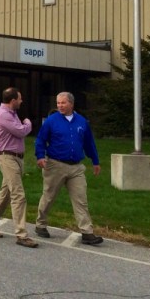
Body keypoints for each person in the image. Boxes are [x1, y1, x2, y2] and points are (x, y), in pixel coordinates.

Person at [34, 92, 103, 245]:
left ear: (71, 104)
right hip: (55, 164)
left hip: (76, 167)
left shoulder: (82, 122)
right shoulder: (51, 121)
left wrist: (95, 161)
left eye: (63, 103)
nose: (60, 106)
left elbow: (89, 143)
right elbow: (40, 139)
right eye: (58, 103)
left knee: (81, 199)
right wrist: (39, 156)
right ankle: (40, 224)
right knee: (49, 196)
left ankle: (87, 232)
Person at [0, 87, 37, 248]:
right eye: (20, 98)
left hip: (15, 158)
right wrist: (27, 122)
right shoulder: (4, 114)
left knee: (6, 192)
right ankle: (21, 234)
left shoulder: (12, 113)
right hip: (7, 158)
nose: (21, 101)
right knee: (18, 195)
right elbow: (21, 131)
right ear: (13, 101)